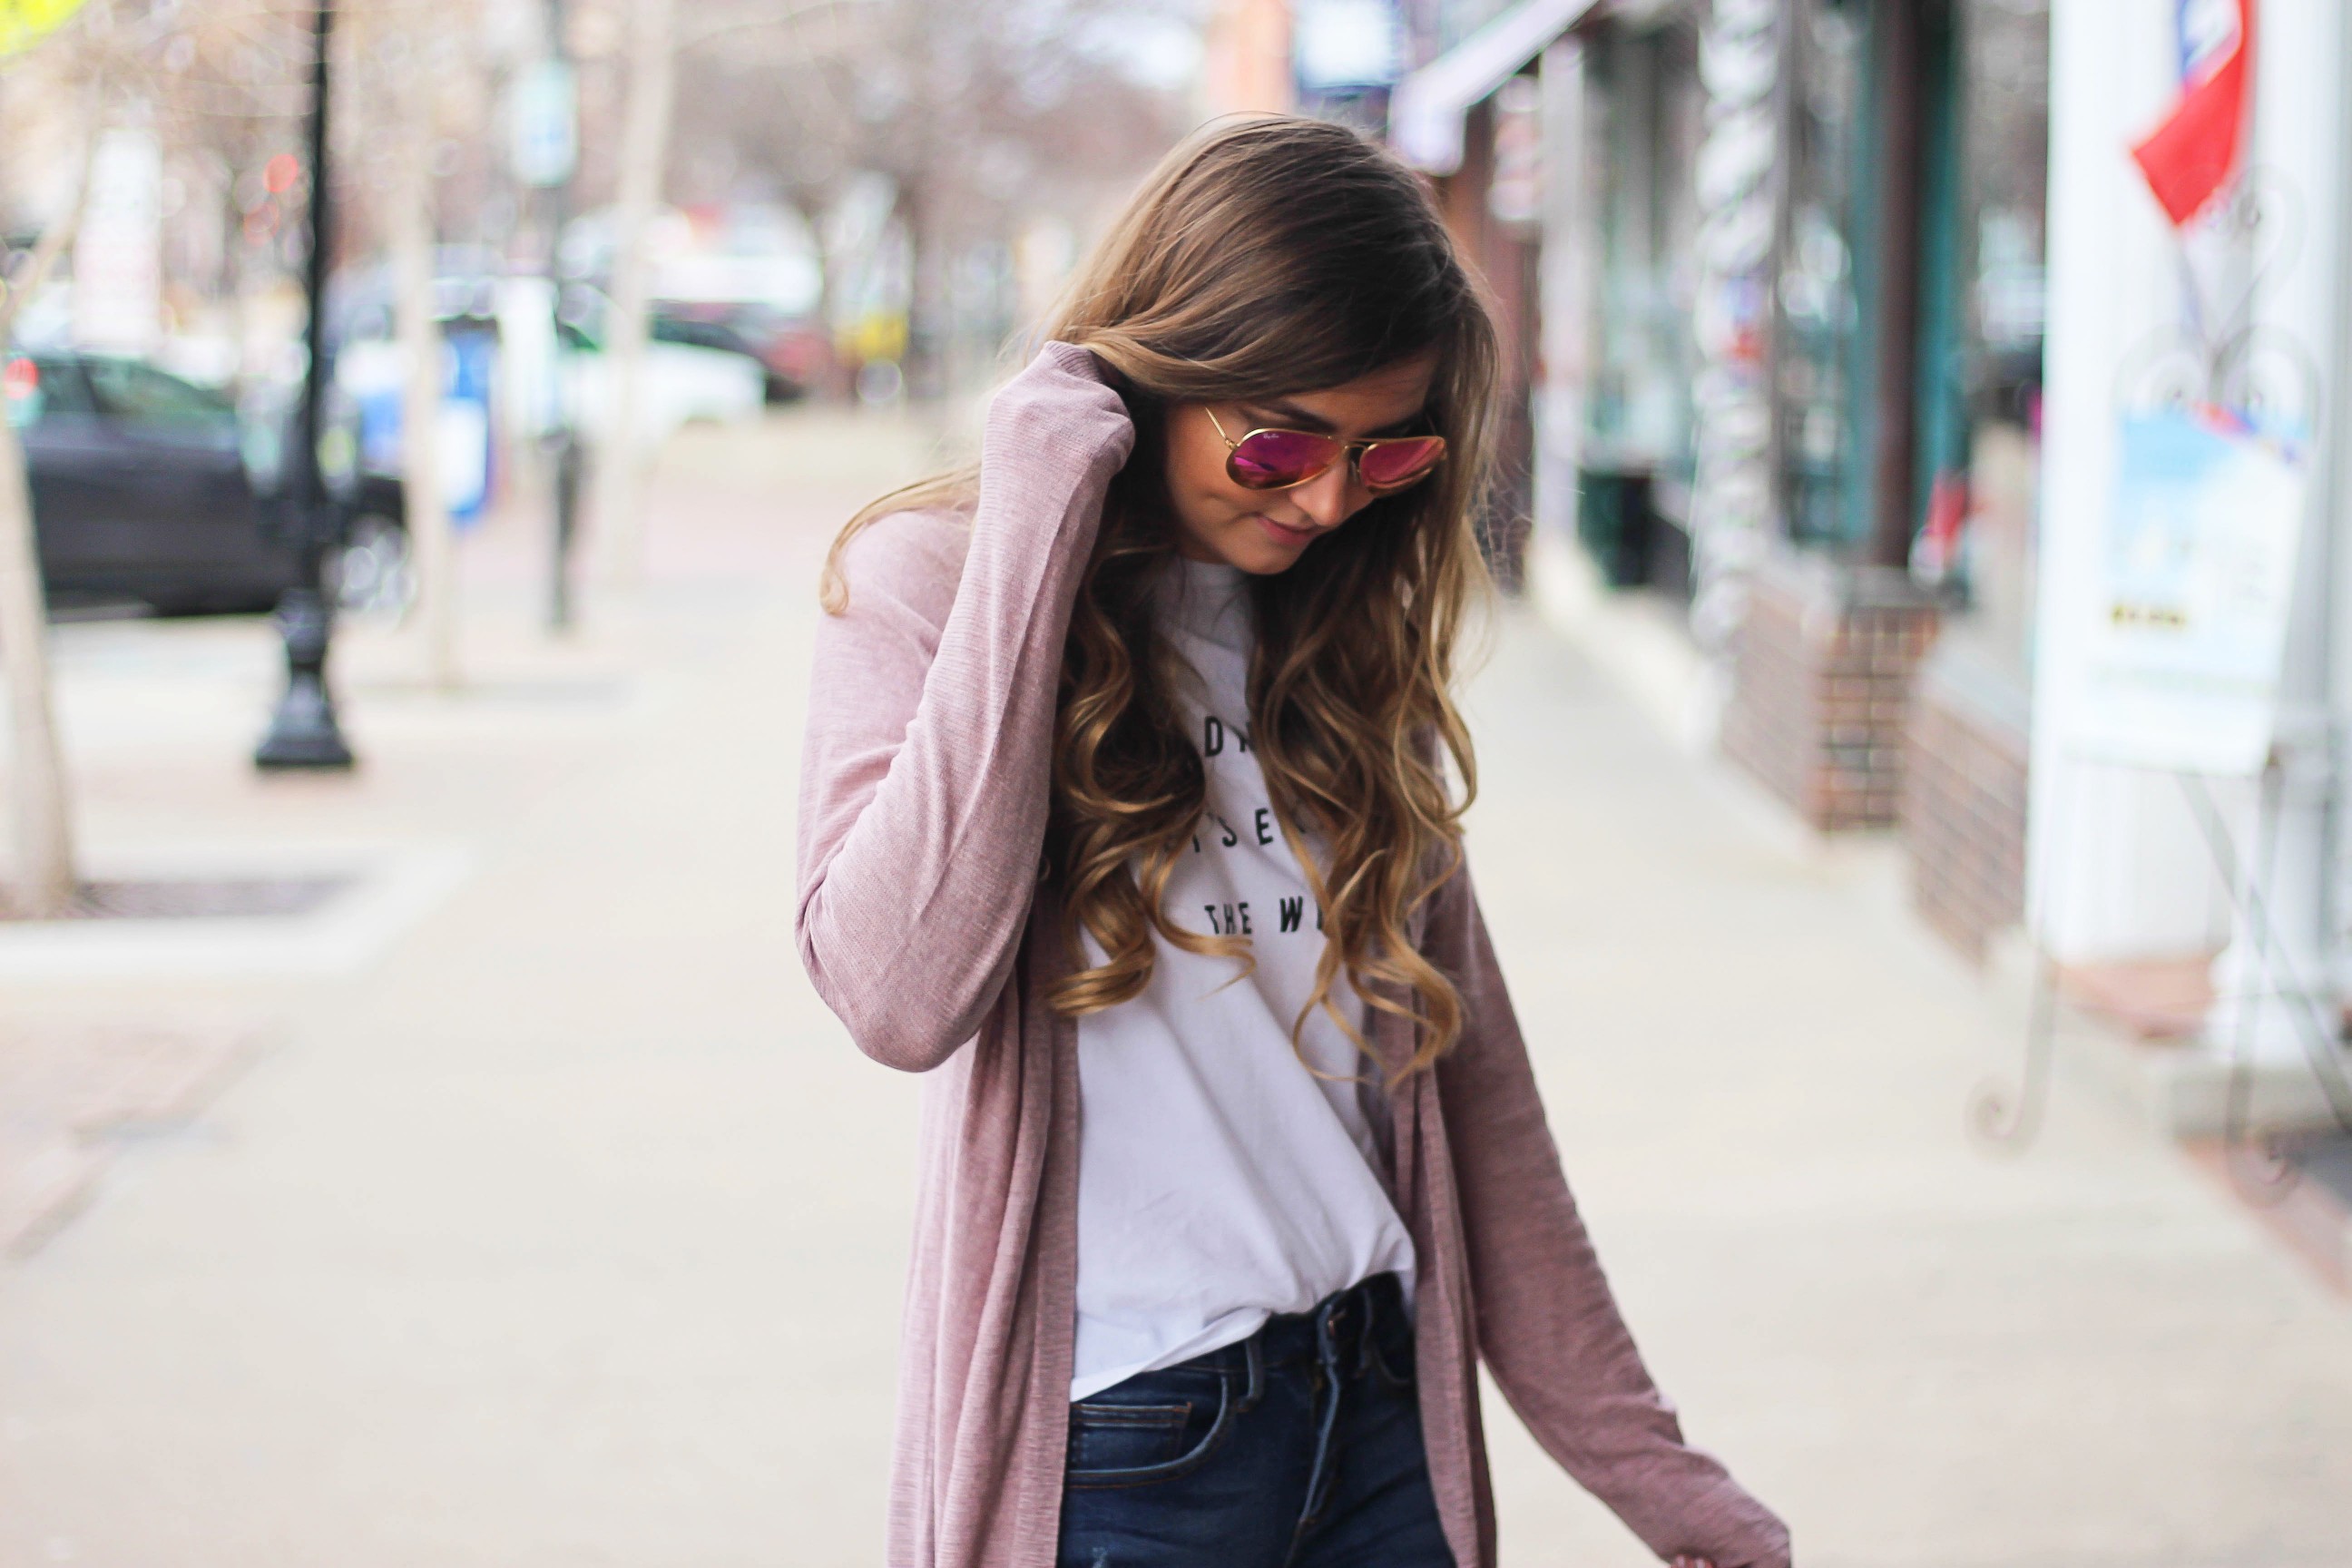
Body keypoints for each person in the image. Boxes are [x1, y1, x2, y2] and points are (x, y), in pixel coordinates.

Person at [796, 116, 1788, 1568]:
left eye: (1381, 457)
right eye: (1278, 443)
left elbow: (1485, 1113)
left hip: (1380, 1420)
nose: (1323, 501)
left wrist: (1654, 1472)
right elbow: (894, 992)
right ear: (1154, 373)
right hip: (1133, 1454)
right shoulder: (929, 590)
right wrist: (1032, 517)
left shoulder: (1334, 647)